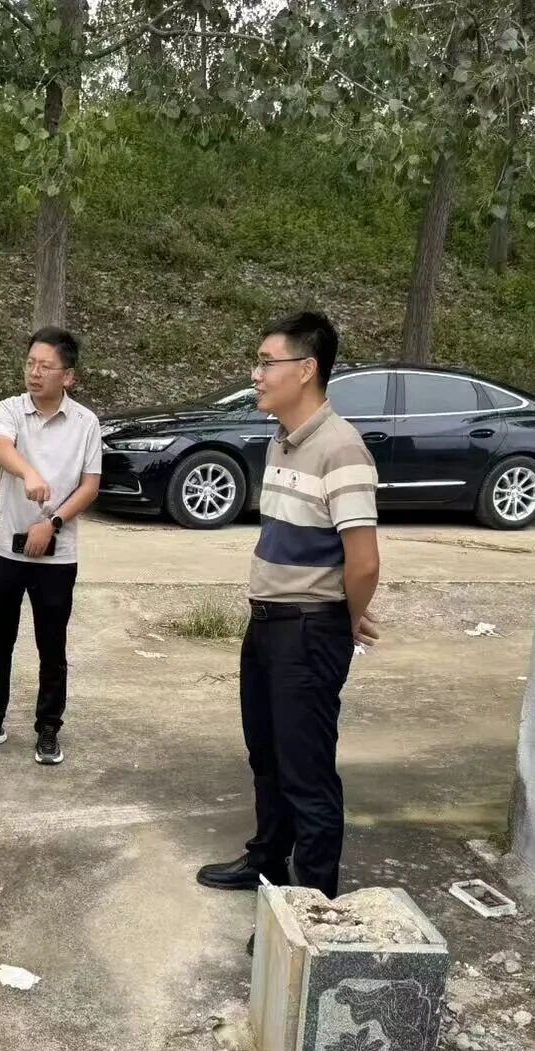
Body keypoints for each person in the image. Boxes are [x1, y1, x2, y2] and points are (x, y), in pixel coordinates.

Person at [193, 312, 381, 943]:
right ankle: (267, 862)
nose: (256, 374)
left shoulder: (341, 448)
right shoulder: (283, 440)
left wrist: (340, 619)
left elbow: (364, 561)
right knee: (267, 755)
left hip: (308, 630)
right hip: (269, 621)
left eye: (266, 362)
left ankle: (308, 911)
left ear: (305, 370)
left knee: (307, 773)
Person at [0, 328, 101, 765]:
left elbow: (90, 485)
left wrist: (53, 523)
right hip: (3, 549)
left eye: (45, 366)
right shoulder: (10, 409)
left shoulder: (86, 423)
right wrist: (29, 473)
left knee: (52, 647)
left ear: (68, 376)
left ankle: (48, 728)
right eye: (30, 364)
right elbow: (0, 446)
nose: (35, 373)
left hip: (57, 557)